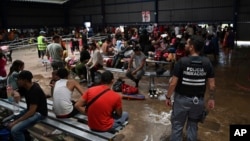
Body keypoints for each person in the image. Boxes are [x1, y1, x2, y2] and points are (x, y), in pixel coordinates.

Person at [165, 35, 215, 141]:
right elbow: (212, 84)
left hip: (181, 101)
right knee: (193, 126)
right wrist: (211, 98)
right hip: (198, 102)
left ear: (192, 47)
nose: (185, 45)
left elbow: (173, 83)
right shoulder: (207, 63)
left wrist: (168, 97)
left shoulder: (182, 62)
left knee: (177, 126)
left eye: (187, 43)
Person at [7, 70, 48, 141]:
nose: (17, 81)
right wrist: (16, 93)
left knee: (15, 130)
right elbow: (14, 91)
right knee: (6, 121)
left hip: (39, 114)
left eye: (19, 79)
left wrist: (15, 122)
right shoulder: (25, 87)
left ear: (25, 80)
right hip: (30, 110)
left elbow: (32, 112)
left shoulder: (35, 90)